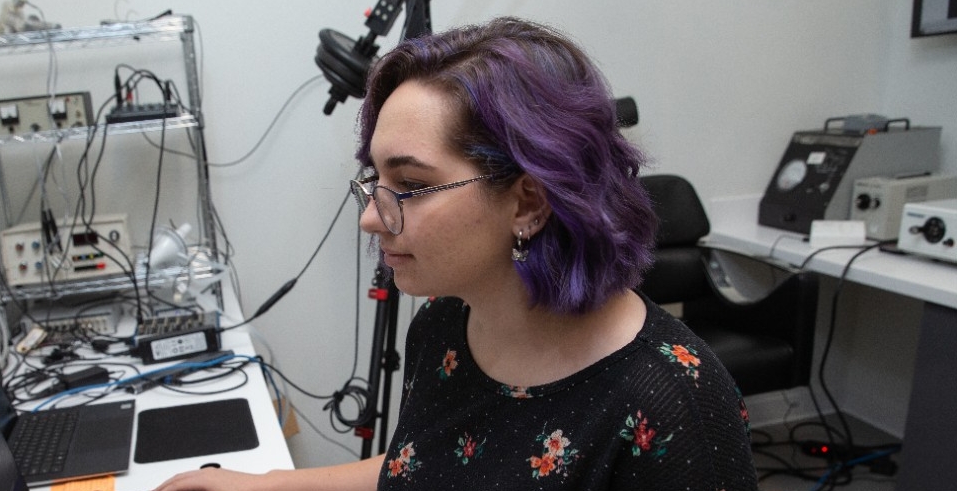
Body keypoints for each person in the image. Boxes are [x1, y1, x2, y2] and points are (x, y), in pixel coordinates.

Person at [155, 16, 757, 491]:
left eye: (411, 187)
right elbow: (422, 468)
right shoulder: (446, 324)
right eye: (374, 181)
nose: (370, 216)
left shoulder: (675, 404)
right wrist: (267, 484)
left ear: (528, 202)